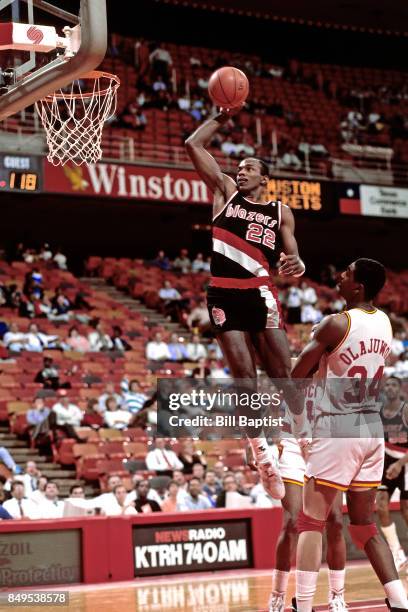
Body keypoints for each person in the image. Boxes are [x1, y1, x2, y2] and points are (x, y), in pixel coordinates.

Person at [185, 108, 306, 499]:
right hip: (223, 292)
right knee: (244, 377)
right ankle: (262, 455)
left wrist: (298, 264)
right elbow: (193, 144)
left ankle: (298, 442)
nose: (241, 171)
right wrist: (222, 117)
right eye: (239, 166)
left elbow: (295, 258)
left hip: (261, 292)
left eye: (250, 168)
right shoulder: (223, 193)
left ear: (264, 178)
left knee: (282, 375)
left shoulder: (279, 212)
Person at [291, 259, 408, 612]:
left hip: (338, 425)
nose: (339, 276)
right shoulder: (386, 322)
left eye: (346, 273)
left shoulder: (336, 323)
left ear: (357, 287)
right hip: (370, 428)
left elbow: (295, 375)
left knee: (310, 519)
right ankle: (400, 601)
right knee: (364, 524)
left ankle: (305, 605)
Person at [377, 376, 408, 571]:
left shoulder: (405, 409)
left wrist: (399, 464)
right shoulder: (379, 412)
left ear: (400, 388)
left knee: (406, 510)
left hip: (405, 461)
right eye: (387, 384)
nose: (389, 387)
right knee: (381, 505)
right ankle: (397, 553)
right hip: (386, 460)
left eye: (393, 384)